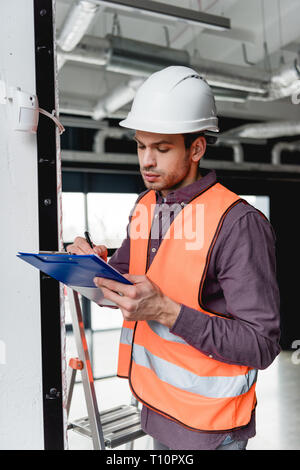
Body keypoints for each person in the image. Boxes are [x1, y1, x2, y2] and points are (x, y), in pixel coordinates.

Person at [67, 66, 281, 450]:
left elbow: (261, 345)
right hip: (155, 408)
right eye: (140, 145)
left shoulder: (239, 224)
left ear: (196, 148)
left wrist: (166, 310)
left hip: (208, 426)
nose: (146, 161)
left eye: (162, 148)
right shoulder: (147, 205)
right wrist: (87, 268)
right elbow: (123, 282)